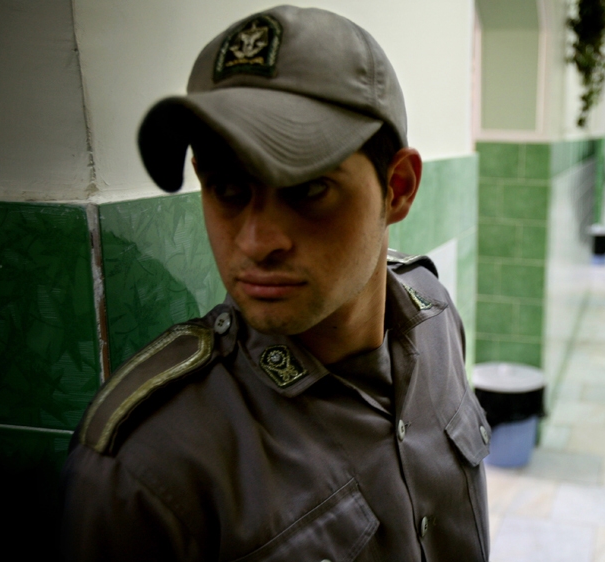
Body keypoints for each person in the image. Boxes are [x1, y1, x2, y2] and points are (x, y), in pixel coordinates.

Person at [60, 6, 491, 561]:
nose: (257, 241)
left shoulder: (433, 315)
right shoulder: (146, 468)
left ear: (398, 189)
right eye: (227, 189)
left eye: (308, 188)